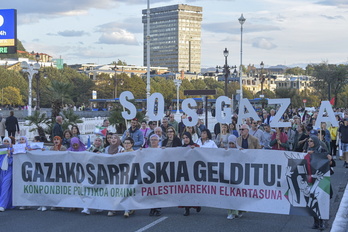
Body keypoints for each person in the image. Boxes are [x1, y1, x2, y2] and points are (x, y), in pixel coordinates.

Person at [306, 136, 335, 230]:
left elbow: (332, 163)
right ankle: (316, 222)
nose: (309, 142)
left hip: (322, 179)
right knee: (312, 200)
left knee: (322, 200)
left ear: (316, 141)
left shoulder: (321, 150)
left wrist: (330, 160)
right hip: (311, 179)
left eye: (311, 141)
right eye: (308, 141)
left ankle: (322, 222)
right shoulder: (307, 150)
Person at [179, 132, 201, 216]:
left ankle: (196, 205)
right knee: (185, 190)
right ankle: (186, 208)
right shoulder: (181, 148)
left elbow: (201, 155)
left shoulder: (196, 146)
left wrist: (195, 150)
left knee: (194, 189)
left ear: (190, 138)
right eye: (184, 138)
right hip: (184, 171)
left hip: (194, 171)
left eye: (187, 137)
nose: (185, 139)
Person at [147, 134, 162, 217]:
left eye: (155, 140)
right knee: (151, 191)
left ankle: (158, 208)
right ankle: (152, 208)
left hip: (159, 172)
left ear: (158, 141)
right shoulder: (147, 150)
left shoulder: (162, 149)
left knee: (158, 191)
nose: (153, 141)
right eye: (152, 140)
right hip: (150, 173)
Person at [121, 137, 135, 218]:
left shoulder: (134, 153)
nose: (126, 145)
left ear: (132, 144)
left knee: (129, 191)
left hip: (131, 174)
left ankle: (127, 209)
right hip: (123, 174)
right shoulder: (121, 152)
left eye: (128, 143)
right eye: (125, 143)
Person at [0, 136, 15, 212]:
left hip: (9, 171)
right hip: (2, 171)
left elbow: (11, 162)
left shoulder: (13, 151)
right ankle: (8, 204)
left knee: (5, 187)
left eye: (7, 141)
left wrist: (9, 155)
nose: (5, 143)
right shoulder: (1, 151)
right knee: (2, 188)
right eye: (4, 141)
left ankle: (2, 205)